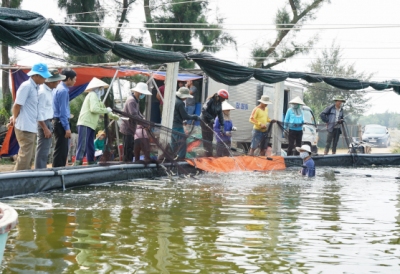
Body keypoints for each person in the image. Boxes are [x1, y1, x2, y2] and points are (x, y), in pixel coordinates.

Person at [10, 63, 52, 170]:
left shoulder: (36, 88)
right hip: (24, 125)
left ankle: (25, 178)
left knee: (28, 156)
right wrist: (14, 118)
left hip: (30, 126)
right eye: (44, 77)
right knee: (25, 156)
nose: (45, 79)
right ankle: (17, 180)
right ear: (36, 75)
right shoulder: (26, 86)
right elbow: (17, 105)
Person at [74, 78, 119, 165]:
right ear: (97, 88)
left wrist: (115, 117)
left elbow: (105, 110)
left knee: (90, 144)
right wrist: (106, 110)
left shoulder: (98, 100)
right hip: (85, 123)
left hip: (91, 125)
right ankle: (77, 162)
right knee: (83, 144)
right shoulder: (92, 95)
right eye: (101, 88)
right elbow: (94, 109)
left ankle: (91, 161)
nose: (102, 90)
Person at [35, 69, 66, 169]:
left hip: (48, 121)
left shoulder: (49, 91)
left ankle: (41, 169)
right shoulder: (43, 93)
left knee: (45, 149)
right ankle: (40, 172)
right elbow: (38, 112)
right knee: (42, 150)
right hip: (44, 122)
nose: (58, 82)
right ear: (50, 81)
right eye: (57, 81)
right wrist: (45, 128)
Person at [120, 82, 152, 162]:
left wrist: (144, 119)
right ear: (138, 92)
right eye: (142, 93)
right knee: (128, 149)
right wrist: (144, 124)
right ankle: (127, 165)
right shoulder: (131, 101)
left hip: (131, 129)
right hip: (127, 128)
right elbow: (134, 115)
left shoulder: (135, 100)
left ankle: (129, 162)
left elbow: (138, 113)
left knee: (130, 147)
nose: (143, 94)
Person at [52, 68, 77, 167]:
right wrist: (67, 128)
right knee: (61, 150)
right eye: (74, 79)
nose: (75, 81)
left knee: (61, 148)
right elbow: (62, 112)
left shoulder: (58, 88)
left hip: (58, 121)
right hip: (61, 122)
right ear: (69, 79)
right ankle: (58, 170)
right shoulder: (63, 91)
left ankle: (58, 169)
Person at [171, 87, 200, 160]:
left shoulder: (173, 100)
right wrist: (194, 117)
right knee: (182, 144)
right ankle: (180, 160)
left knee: (174, 144)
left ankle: (171, 158)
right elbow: (185, 116)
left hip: (172, 126)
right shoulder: (180, 103)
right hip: (178, 127)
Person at [200, 89, 228, 157]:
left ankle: (209, 153)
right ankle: (207, 154)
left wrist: (222, 125)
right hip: (204, 121)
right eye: (223, 99)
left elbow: (220, 114)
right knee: (206, 138)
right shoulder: (210, 100)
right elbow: (203, 110)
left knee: (210, 138)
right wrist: (210, 118)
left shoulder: (219, 103)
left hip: (210, 122)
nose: (224, 100)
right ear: (219, 97)